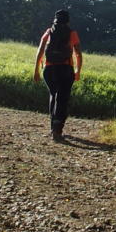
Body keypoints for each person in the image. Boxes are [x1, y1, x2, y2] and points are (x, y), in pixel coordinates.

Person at [34, 9, 83, 141]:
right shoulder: (72, 33)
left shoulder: (49, 32)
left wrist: (36, 70)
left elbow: (40, 51)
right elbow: (78, 53)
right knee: (62, 98)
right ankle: (58, 129)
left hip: (49, 69)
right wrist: (78, 70)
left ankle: (52, 128)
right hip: (66, 68)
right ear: (68, 20)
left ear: (55, 19)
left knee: (53, 95)